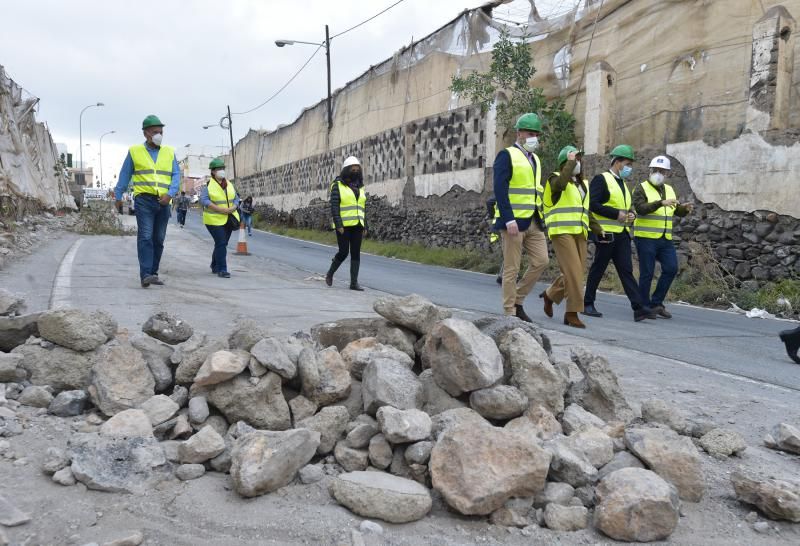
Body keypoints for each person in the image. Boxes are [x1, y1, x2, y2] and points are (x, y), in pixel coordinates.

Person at [583, 144, 657, 321]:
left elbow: (623, 207)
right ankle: (587, 303)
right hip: (606, 233)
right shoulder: (601, 179)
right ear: (617, 162)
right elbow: (592, 204)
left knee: (626, 270)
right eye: (627, 163)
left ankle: (638, 308)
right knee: (598, 269)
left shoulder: (622, 183)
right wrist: (617, 214)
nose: (629, 168)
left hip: (622, 234)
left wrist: (630, 214)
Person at [492, 113, 549, 322]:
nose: (533, 137)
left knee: (542, 261)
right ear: (519, 133)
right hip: (514, 222)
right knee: (511, 268)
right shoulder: (507, 155)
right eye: (530, 133)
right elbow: (500, 189)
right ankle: (510, 312)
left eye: (536, 134)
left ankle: (518, 300)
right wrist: (508, 219)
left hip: (533, 221)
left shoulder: (536, 159)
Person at [540, 146, 604, 328]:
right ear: (565, 163)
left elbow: (586, 211)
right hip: (561, 231)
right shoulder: (554, 178)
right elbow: (560, 185)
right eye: (574, 160)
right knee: (574, 273)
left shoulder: (583, 184)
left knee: (575, 272)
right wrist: (569, 163)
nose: (578, 163)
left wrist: (599, 229)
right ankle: (572, 313)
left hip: (580, 233)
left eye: (578, 160)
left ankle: (550, 294)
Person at [114, 115, 180, 288]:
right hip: (144, 200)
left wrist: (170, 194)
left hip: (164, 201)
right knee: (145, 236)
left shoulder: (169, 152)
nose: (159, 135)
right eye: (155, 132)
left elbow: (176, 175)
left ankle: (153, 273)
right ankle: (145, 274)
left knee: (158, 239)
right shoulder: (135, 151)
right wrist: (118, 195)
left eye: (161, 132)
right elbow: (125, 174)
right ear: (146, 134)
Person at [633, 155, 693, 318]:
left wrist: (684, 209)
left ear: (667, 174)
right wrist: (660, 203)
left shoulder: (670, 190)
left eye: (662, 171)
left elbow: (674, 209)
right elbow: (640, 209)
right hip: (645, 237)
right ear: (650, 171)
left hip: (664, 238)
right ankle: (643, 307)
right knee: (647, 273)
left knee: (671, 268)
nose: (658, 173)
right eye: (655, 170)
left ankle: (656, 303)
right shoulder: (641, 188)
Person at [326, 156, 367, 291]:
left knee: (356, 253)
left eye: (357, 169)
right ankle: (330, 273)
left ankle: (354, 283)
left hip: (357, 225)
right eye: (352, 169)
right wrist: (338, 224)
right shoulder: (337, 185)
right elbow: (334, 206)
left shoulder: (361, 187)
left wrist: (365, 224)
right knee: (343, 252)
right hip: (343, 226)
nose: (355, 171)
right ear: (346, 170)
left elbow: (362, 206)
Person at [201, 158, 240, 278]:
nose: (221, 171)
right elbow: (204, 200)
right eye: (218, 169)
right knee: (221, 242)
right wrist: (220, 209)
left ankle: (214, 265)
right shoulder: (208, 186)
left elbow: (236, 198)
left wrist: (233, 207)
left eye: (223, 168)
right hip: (213, 220)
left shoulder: (229, 184)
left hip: (229, 218)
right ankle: (222, 269)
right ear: (213, 172)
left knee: (221, 243)